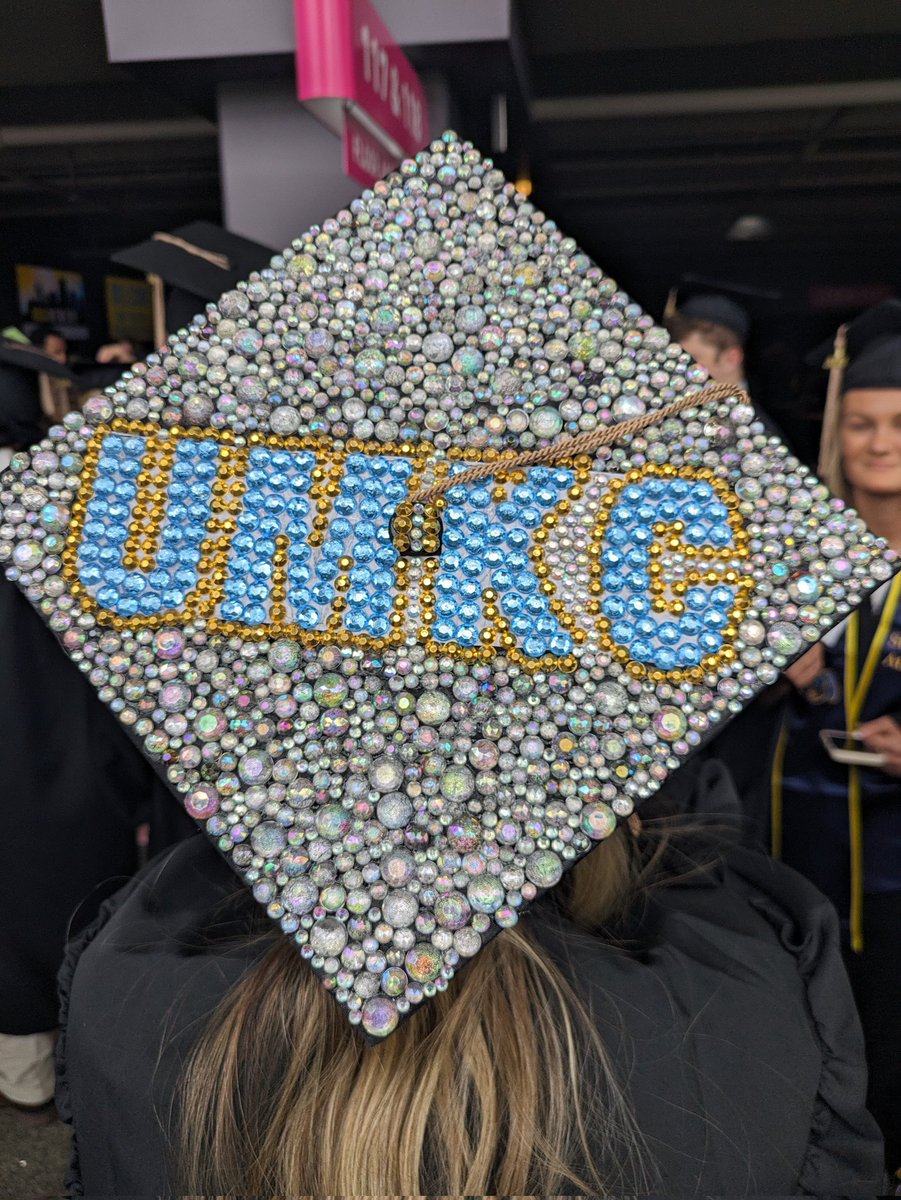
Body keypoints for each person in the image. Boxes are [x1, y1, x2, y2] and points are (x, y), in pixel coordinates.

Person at [772, 298, 901, 1173]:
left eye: (898, 423)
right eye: (859, 423)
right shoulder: (798, 559)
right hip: (795, 844)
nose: (879, 441)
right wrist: (795, 675)